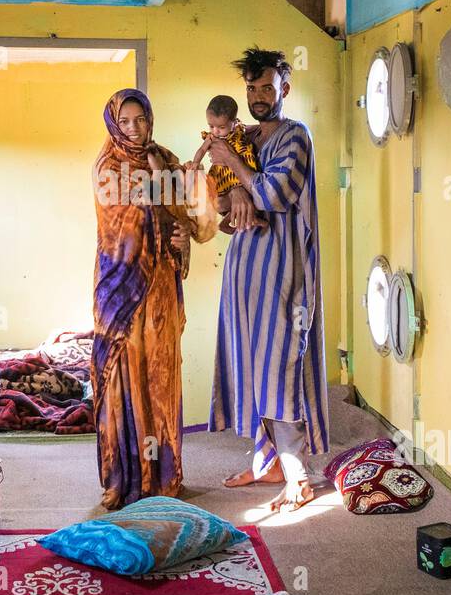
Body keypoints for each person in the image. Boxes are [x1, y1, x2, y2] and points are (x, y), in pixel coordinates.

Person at [208, 48, 330, 513]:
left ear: (285, 88)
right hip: (243, 269)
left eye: (267, 88)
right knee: (249, 366)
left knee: (279, 369)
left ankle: (298, 476)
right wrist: (235, 186)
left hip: (283, 272)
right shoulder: (243, 137)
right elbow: (220, 201)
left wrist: (238, 172)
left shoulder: (295, 136)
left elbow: (276, 194)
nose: (259, 97)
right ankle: (270, 464)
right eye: (252, 89)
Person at [91, 88, 217, 509]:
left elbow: (191, 221)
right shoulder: (106, 167)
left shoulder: (164, 157)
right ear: (113, 123)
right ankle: (121, 480)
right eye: (125, 121)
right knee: (122, 383)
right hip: (121, 293)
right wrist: (164, 204)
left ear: (150, 119)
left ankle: (161, 478)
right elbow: (122, 226)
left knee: (160, 380)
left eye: (140, 119)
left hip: (160, 288)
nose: (133, 129)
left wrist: (183, 237)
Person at [189, 94, 267, 234]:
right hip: (223, 175)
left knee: (249, 197)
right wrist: (195, 162)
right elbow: (201, 149)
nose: (215, 131)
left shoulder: (240, 130)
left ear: (234, 122)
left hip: (241, 172)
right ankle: (226, 223)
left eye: (221, 127)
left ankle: (250, 220)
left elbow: (258, 130)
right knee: (223, 199)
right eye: (211, 126)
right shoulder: (212, 138)